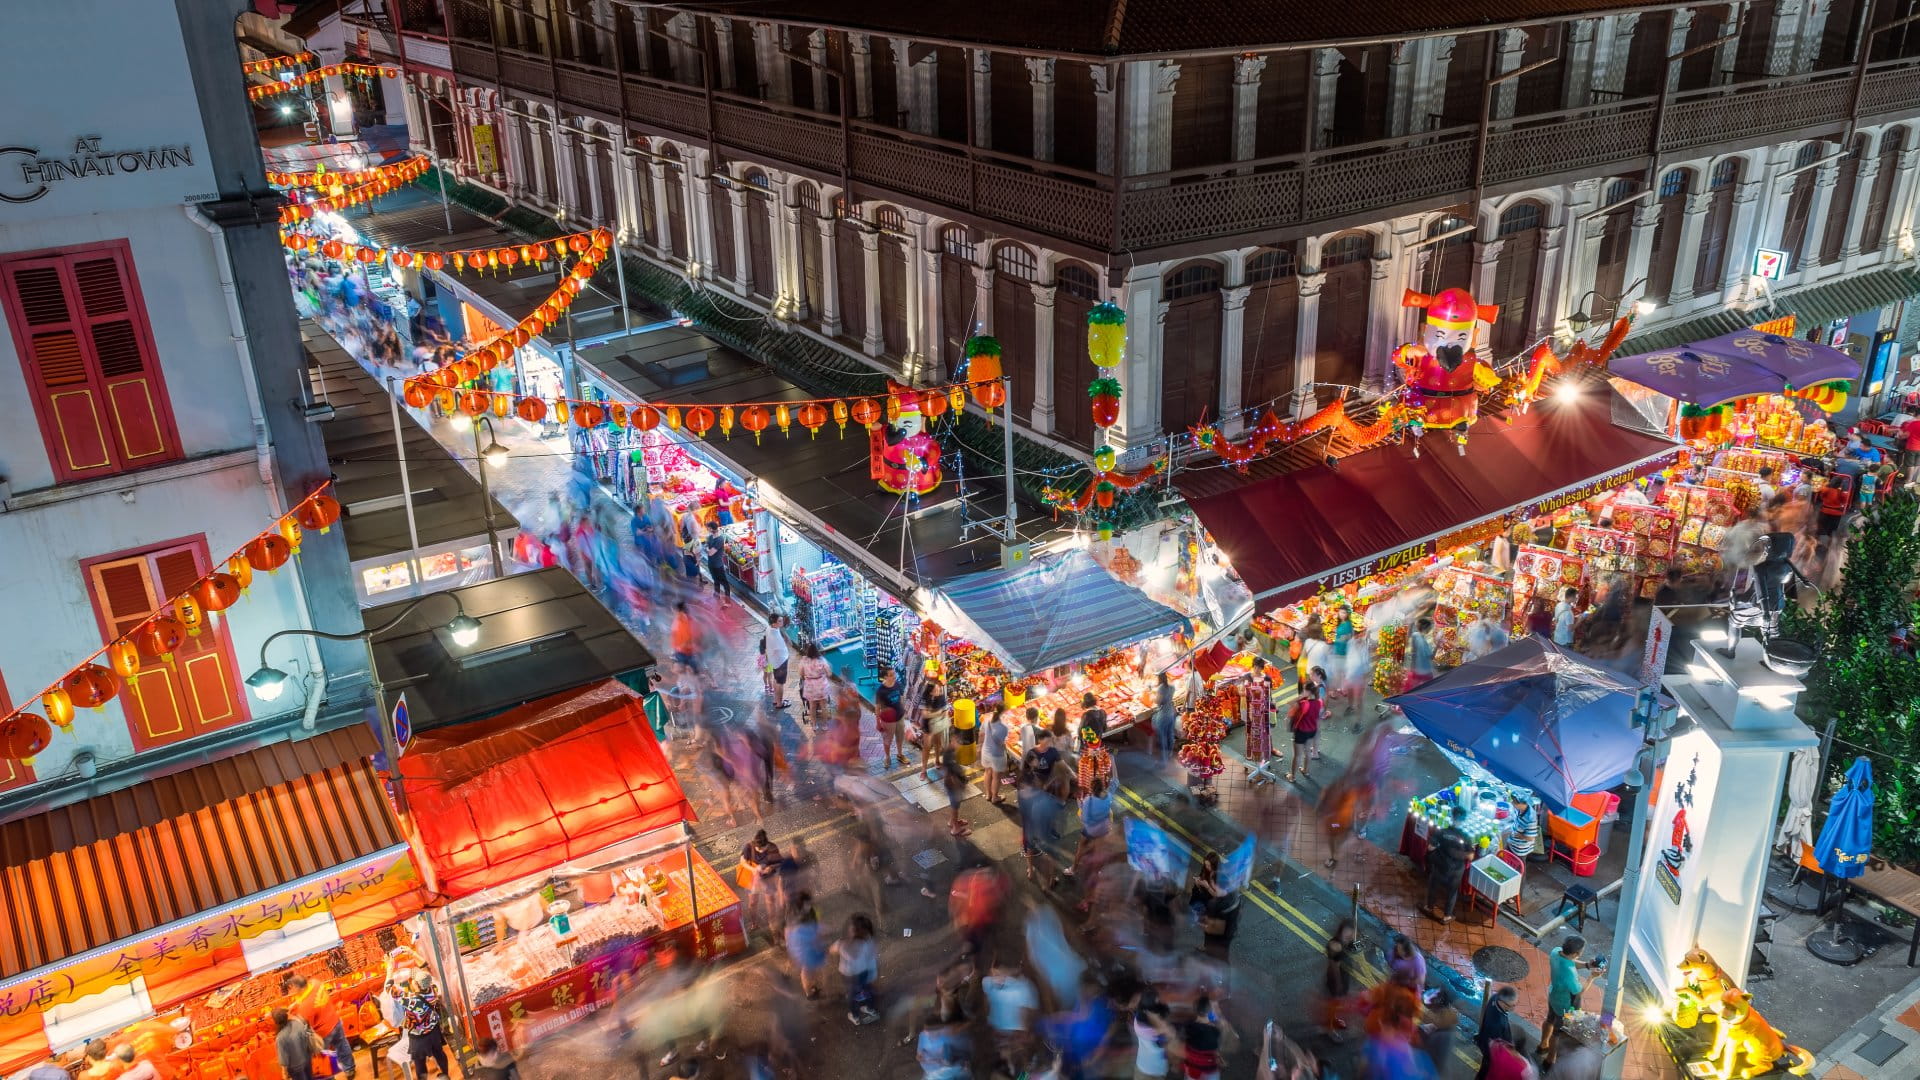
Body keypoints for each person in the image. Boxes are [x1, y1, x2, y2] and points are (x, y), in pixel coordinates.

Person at [1543, 934, 1600, 1068]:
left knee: (1549, 1019)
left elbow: (1570, 961)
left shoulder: (1556, 952)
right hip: (1563, 1003)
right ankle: (1550, 1060)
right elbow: (1578, 992)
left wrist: (1587, 965)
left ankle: (1542, 1045)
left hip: (1553, 995)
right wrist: (1592, 977)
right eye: (1581, 952)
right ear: (1576, 953)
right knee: (1557, 1032)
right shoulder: (1569, 972)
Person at [286, 974, 352, 1080]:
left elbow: (306, 1026)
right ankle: (350, 1069)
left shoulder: (305, 1007)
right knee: (342, 1045)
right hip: (335, 1020)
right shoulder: (315, 982)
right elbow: (310, 997)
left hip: (324, 1033)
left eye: (292, 988)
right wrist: (296, 1004)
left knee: (323, 1059)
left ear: (298, 988)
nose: (291, 991)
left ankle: (329, 1078)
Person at [982, 959, 1040, 1074]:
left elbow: (1029, 1014)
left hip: (1009, 1034)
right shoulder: (988, 983)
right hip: (1004, 1034)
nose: (999, 977)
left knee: (1017, 1064)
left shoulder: (1024, 987)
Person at [391, 971, 450, 1080]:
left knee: (419, 1062)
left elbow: (391, 990)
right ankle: (446, 1075)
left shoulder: (413, 1001)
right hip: (433, 1030)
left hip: (419, 1037)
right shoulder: (433, 989)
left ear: (417, 985)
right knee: (439, 1053)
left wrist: (389, 968)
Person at [1424, 805, 1474, 923]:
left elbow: (1430, 847)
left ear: (1451, 817)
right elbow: (1471, 856)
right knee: (1452, 892)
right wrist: (1460, 854)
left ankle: (1429, 907)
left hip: (1440, 865)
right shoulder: (1466, 837)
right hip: (1456, 870)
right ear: (1463, 820)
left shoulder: (1442, 832)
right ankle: (1447, 916)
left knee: (1433, 886)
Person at [831, 912, 881, 1024]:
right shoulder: (869, 942)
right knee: (867, 991)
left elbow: (832, 949)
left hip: (848, 975)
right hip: (864, 973)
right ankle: (871, 1009)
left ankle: (855, 1016)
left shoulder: (843, 944)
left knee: (851, 995)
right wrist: (873, 975)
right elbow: (872, 959)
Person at [784, 893, 829, 998]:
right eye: (808, 903)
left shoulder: (811, 911)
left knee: (811, 969)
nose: (810, 905)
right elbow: (789, 931)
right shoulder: (794, 916)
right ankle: (809, 993)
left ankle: (812, 987)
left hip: (810, 945)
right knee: (807, 969)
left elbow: (816, 926)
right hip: (804, 947)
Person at [1473, 986, 1519, 1080]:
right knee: (1485, 1072)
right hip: (1491, 1054)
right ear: (1502, 1002)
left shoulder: (1495, 998)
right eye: (1512, 1005)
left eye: (1515, 1004)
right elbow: (1495, 1047)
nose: (1514, 1008)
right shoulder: (1497, 1024)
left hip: (1486, 1043)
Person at [1322, 920, 1357, 1040]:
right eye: (1347, 934)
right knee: (1333, 1004)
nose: (1350, 936)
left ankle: (1333, 1019)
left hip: (1343, 978)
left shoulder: (1344, 941)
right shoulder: (1335, 945)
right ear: (1341, 931)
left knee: (1336, 1005)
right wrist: (1338, 985)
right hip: (1336, 981)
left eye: (1351, 934)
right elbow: (1334, 968)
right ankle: (1329, 1029)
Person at [1284, 679, 1322, 783]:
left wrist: (1300, 697)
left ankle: (1292, 776)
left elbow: (1289, 703)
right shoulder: (1319, 702)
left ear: (1309, 691)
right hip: (1312, 731)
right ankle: (1306, 771)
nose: (1303, 691)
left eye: (1304, 689)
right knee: (1308, 751)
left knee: (1297, 755)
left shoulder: (1304, 703)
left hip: (1301, 732)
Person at [797, 643, 833, 732]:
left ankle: (814, 725)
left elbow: (801, 674)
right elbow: (829, 673)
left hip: (810, 687)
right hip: (821, 686)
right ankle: (825, 725)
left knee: (812, 707)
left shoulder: (804, 660)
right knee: (823, 707)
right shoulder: (821, 660)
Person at [272, 1008, 315, 1080]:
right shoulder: (297, 1023)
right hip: (307, 1060)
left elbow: (284, 1059)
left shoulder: (280, 1038)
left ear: (276, 1022)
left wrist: (284, 1074)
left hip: (295, 1068)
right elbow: (307, 1038)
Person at [876, 667, 906, 765]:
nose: (894, 676)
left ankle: (900, 754)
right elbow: (877, 707)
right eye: (891, 675)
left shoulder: (897, 684)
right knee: (887, 739)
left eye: (894, 674)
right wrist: (878, 722)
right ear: (885, 677)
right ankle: (887, 757)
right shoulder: (881, 690)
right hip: (888, 720)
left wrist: (903, 710)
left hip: (900, 716)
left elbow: (901, 697)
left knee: (900, 737)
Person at [982, 706, 1011, 806]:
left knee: (987, 772)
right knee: (996, 776)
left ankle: (988, 794)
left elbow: (981, 735)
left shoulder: (987, 720)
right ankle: (995, 797)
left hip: (986, 752)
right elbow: (1002, 742)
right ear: (1003, 713)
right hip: (997, 754)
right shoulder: (1003, 727)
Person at [763, 614, 792, 709]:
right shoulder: (775, 637)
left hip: (774, 661)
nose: (782, 621)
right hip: (780, 662)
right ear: (774, 623)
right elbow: (785, 646)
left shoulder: (769, 628)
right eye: (780, 621)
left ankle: (776, 700)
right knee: (780, 683)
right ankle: (780, 703)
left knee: (776, 680)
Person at [1153, 672, 1178, 762]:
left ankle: (1163, 758)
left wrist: (1153, 697)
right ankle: (1170, 753)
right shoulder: (1172, 687)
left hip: (1163, 714)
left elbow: (1158, 701)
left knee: (1162, 736)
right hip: (1171, 712)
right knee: (1170, 734)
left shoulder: (1161, 688)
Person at [1405, 617, 1436, 687]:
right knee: (1428, 688)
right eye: (1430, 627)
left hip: (1415, 668)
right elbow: (1432, 657)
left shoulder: (1415, 635)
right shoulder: (1423, 642)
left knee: (1415, 687)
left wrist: (1410, 625)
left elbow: (1409, 639)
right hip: (1424, 671)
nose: (1431, 629)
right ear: (1426, 628)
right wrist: (1439, 643)